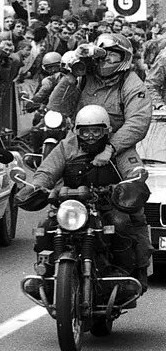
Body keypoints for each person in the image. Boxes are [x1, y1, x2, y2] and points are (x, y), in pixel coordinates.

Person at [48, 34, 152, 283]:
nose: (108, 60)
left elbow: (138, 122)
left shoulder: (132, 83)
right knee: (53, 205)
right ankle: (50, 265)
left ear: (124, 58)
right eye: (105, 54)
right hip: (80, 142)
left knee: (128, 212)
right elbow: (57, 108)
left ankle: (129, 271)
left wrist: (111, 148)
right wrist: (69, 78)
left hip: (118, 145)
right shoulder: (85, 75)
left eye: (114, 55)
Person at [16, 105, 149, 294]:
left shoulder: (117, 147)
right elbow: (47, 170)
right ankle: (46, 275)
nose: (91, 136)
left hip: (107, 204)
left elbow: (133, 168)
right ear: (77, 131)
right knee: (45, 226)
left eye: (96, 131)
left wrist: (134, 178)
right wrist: (37, 186)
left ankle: (120, 273)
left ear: (107, 131)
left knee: (121, 223)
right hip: (71, 204)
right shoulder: (66, 147)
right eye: (85, 132)